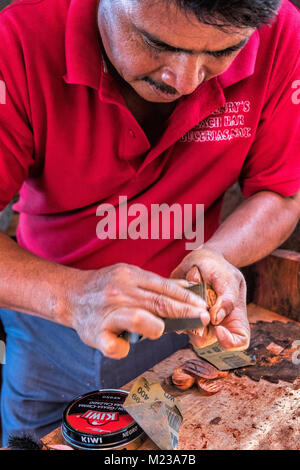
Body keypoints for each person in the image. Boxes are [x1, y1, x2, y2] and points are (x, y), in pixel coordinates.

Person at [0, 0, 299, 444]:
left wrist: (217, 255)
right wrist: (71, 296)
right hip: (46, 317)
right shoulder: (20, 39)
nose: (184, 81)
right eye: (155, 42)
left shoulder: (281, 33)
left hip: (185, 323)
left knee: (171, 446)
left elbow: (280, 192)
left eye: (222, 52)